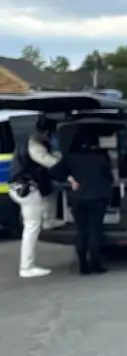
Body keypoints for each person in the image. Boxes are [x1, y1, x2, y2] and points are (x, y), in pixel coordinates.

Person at [8, 119, 61, 278]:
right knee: (31, 227)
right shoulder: (36, 146)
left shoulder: (27, 142)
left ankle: (48, 220)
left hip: (19, 187)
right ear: (46, 132)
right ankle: (26, 267)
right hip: (26, 189)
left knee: (51, 193)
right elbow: (49, 162)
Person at [62, 134, 113, 275]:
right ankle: (95, 264)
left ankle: (82, 265)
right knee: (95, 231)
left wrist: (69, 179)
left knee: (82, 231)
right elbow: (109, 177)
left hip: (78, 198)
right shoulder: (100, 158)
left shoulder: (70, 158)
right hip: (97, 198)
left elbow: (54, 170)